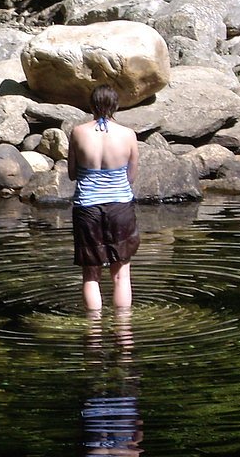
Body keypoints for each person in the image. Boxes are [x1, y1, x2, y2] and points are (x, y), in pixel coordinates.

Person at [67, 84, 140, 312]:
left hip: (87, 208)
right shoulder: (128, 134)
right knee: (121, 274)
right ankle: (124, 332)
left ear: (92, 105)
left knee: (91, 274)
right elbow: (131, 177)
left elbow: (71, 174)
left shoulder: (78, 132)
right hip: (119, 207)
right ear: (116, 105)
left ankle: (94, 333)